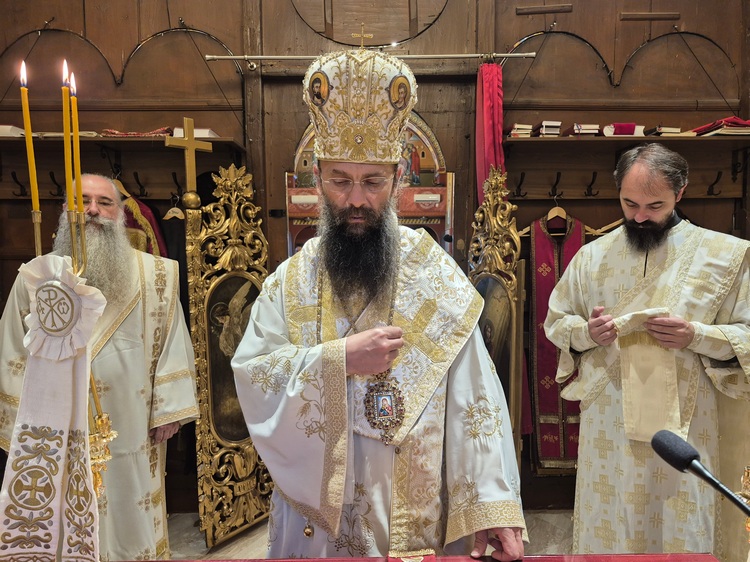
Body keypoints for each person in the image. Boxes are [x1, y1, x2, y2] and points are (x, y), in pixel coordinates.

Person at [232, 48, 526, 559]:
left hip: (413, 520)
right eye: (340, 181)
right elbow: (253, 375)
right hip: (316, 526)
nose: (356, 200)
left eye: (373, 182)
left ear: (399, 178)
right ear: (316, 178)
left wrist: (492, 506)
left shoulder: (435, 275)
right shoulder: (291, 282)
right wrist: (338, 359)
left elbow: (476, 400)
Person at [543, 143, 750, 557]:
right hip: (610, 423)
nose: (639, 217)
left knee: (680, 525)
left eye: (655, 206)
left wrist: (695, 336)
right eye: (629, 203)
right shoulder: (591, 258)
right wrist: (589, 333)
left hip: (688, 423)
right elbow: (557, 324)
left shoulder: (724, 256)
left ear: (680, 192)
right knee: (615, 526)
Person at [0, 173, 200, 561]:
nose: (93, 210)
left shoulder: (158, 274)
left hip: (132, 421)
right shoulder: (37, 277)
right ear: (65, 211)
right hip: (57, 421)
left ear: (120, 214)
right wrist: (20, 427)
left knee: (129, 511)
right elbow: (10, 351)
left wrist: (169, 409)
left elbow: (174, 340)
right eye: (82, 202)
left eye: (104, 202)